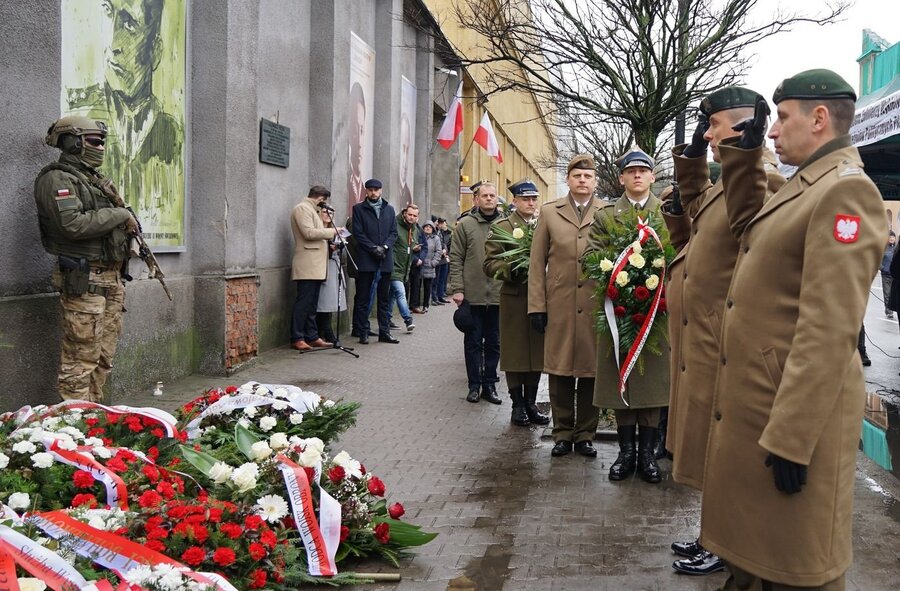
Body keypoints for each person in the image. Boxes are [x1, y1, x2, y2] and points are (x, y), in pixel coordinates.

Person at [703, 69, 885, 590]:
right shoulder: (810, 183)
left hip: (794, 421)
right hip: (765, 404)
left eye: (783, 118)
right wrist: (741, 158)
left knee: (798, 569)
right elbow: (745, 226)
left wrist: (791, 438)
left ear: (820, 118)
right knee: (758, 557)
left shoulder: (846, 193)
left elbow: (828, 329)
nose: (775, 131)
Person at [660, 87, 786, 576]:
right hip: (704, 337)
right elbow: (699, 221)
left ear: (740, 127)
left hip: (723, 340)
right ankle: (711, 534)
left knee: (724, 452)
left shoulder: (763, 178)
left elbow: (746, 224)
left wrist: (740, 158)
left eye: (713, 126)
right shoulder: (727, 179)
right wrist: (692, 164)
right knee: (708, 449)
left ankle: (727, 545)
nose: (708, 135)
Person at [35, 115, 137, 401]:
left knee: (103, 356)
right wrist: (120, 214)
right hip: (85, 279)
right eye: (94, 141)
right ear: (72, 142)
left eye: (103, 142)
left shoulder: (92, 179)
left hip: (111, 278)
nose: (101, 147)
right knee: (80, 360)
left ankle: (93, 415)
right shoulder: (57, 179)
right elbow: (72, 225)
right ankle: (74, 419)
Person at [582, 149, 669, 475]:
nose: (637, 175)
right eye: (631, 171)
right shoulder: (606, 216)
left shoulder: (666, 213)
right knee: (622, 377)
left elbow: (678, 254)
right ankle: (626, 453)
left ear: (652, 176)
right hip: (617, 311)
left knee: (652, 383)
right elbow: (589, 257)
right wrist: (615, 277)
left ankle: (647, 455)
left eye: (642, 171)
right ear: (621, 178)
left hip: (656, 312)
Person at [67, 0, 183, 224]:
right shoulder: (79, 118)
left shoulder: (174, 135)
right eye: (108, 14)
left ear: (155, 51)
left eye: (129, 24)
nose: (113, 44)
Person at [528, 155, 601, 457]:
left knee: (590, 370)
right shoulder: (550, 212)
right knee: (559, 370)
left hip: (595, 304)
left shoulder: (606, 212)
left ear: (595, 181)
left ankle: (585, 434)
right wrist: (537, 306)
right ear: (569, 180)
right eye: (577, 176)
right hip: (559, 304)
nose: (582, 180)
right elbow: (536, 262)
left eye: (588, 176)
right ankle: (562, 433)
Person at [484, 179, 549, 427]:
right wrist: (514, 267)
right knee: (515, 352)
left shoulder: (544, 224)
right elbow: (489, 264)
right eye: (525, 199)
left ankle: (531, 403)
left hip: (540, 297)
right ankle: (517, 404)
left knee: (536, 351)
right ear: (515, 201)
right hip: (514, 296)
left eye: (534, 199)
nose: (531, 203)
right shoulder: (502, 227)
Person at [450, 181, 503, 404]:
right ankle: (474, 385)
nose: (489, 199)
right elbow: (456, 258)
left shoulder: (506, 224)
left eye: (492, 195)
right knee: (472, 343)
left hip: (499, 296)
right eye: (485, 195)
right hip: (472, 297)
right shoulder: (465, 225)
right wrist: (458, 289)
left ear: (497, 198)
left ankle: (489, 385)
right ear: (476, 199)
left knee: (494, 343)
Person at [288, 185, 341, 351]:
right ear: (320, 198)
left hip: (317, 264)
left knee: (312, 304)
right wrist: (332, 232)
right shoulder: (302, 209)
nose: (324, 204)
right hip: (308, 264)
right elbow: (309, 233)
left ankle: (312, 336)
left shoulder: (313, 210)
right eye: (324, 201)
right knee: (303, 302)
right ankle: (297, 337)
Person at [351, 179, 399, 344]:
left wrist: (384, 247)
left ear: (381, 191)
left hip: (385, 259)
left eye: (376, 190)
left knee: (383, 299)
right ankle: (363, 331)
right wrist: (373, 248)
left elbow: (393, 233)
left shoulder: (389, 209)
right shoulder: (358, 209)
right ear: (366, 191)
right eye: (370, 189)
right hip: (366, 259)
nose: (373, 192)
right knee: (363, 298)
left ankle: (384, 332)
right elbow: (358, 233)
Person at [315, 204, 346, 343]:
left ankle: (326, 331)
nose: (328, 215)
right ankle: (323, 332)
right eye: (325, 212)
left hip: (333, 267)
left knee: (331, 302)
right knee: (322, 301)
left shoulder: (336, 230)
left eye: (331, 213)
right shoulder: (317, 229)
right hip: (320, 267)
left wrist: (339, 246)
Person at [388, 205, 420, 333]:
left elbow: (411, 244)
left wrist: (415, 247)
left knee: (392, 296)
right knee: (401, 293)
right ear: (405, 213)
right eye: (410, 214)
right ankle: (408, 320)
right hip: (394, 266)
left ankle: (386, 319)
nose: (411, 217)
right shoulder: (395, 224)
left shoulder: (414, 229)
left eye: (414, 216)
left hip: (405, 268)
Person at [346, 83, 368, 209]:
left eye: (362, 130)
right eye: (354, 131)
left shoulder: (365, 190)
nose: (359, 142)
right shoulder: (345, 182)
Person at [420, 221, 443, 313]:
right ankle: (415, 305)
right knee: (416, 286)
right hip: (419, 264)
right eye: (426, 226)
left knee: (427, 287)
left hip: (429, 265)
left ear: (433, 229)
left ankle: (425, 305)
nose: (428, 228)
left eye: (430, 227)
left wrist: (434, 262)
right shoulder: (420, 236)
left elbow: (438, 251)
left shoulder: (436, 238)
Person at [432, 218, 452, 304]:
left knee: (442, 278)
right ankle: (435, 297)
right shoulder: (434, 232)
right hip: (437, 258)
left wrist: (445, 249)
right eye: (441, 223)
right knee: (436, 279)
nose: (443, 225)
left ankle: (440, 296)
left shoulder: (441, 232)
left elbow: (444, 243)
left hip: (443, 258)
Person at [881, 232, 895, 319]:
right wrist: (883, 268)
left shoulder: (897, 248)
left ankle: (892, 308)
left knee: (894, 294)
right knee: (887, 294)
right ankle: (889, 311)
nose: (892, 239)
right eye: (890, 237)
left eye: (893, 237)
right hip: (886, 275)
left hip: (895, 276)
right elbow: (878, 260)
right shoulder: (883, 248)